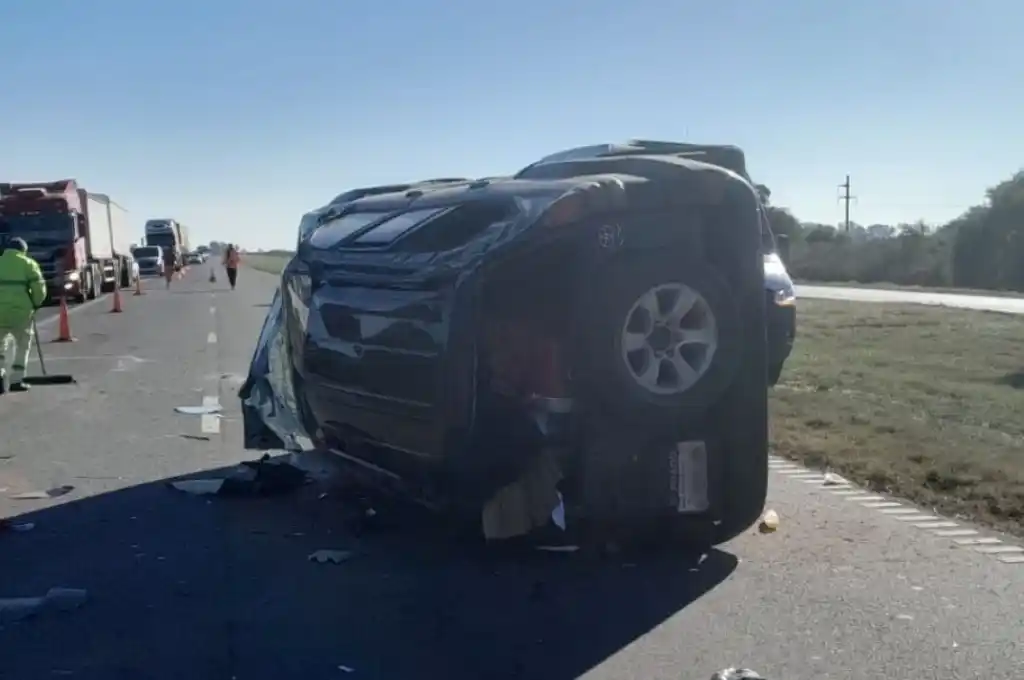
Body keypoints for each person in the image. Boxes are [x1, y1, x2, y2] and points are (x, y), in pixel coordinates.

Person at [0, 237, 46, 393]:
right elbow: (39, 290)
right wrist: (36, 303)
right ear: (23, 250)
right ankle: (16, 381)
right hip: (21, 312)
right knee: (22, 345)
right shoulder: (28, 264)